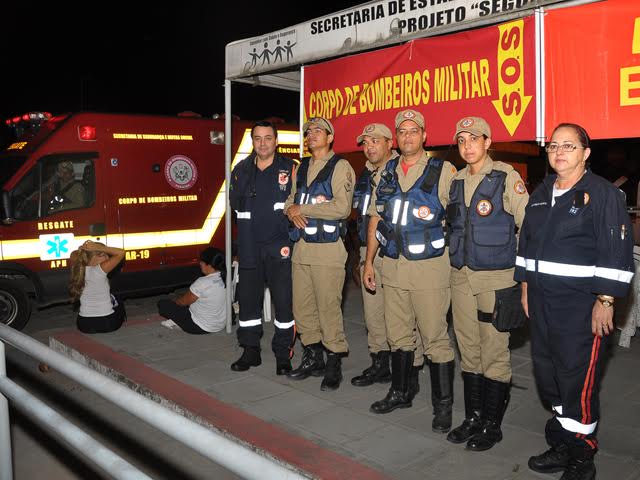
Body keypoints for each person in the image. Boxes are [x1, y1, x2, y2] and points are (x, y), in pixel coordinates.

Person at [516, 123, 634, 480]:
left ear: (585, 153)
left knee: (577, 381)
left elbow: (616, 251)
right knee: (548, 376)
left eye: (569, 145)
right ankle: (562, 444)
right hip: (542, 302)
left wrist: (606, 300)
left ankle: (582, 457)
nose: (559, 151)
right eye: (554, 145)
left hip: (581, 306)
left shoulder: (602, 194)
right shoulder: (542, 192)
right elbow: (527, 245)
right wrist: (524, 287)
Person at [363, 109, 457, 434]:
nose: (407, 137)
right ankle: (401, 391)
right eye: (401, 131)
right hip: (392, 266)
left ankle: (443, 406)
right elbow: (376, 217)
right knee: (398, 335)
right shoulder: (386, 171)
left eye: (413, 131)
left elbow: (458, 220)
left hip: (430, 269)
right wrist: (368, 262)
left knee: (434, 338)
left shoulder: (443, 170)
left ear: (424, 135)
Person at [445, 117, 529, 451]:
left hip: (495, 278)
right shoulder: (456, 181)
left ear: (487, 141)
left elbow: (527, 226)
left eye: (473, 138)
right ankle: (473, 417)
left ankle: (492, 426)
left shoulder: (506, 177)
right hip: (461, 277)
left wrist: (523, 277)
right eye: (461, 139)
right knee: (468, 349)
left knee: (494, 350)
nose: (467, 145)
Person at [351, 123, 425, 396]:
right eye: (365, 142)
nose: (369, 147)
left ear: (389, 143)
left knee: (403, 317)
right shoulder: (364, 176)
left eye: (375, 141)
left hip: (395, 252)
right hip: (368, 250)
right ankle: (380, 363)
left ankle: (411, 371)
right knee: (374, 314)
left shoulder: (398, 172)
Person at [284, 116, 355, 391]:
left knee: (328, 308)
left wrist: (303, 210)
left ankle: (333, 361)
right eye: (308, 131)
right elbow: (291, 201)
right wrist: (290, 210)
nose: (311, 135)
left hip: (328, 251)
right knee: (303, 309)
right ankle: (312, 358)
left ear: (330, 137)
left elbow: (342, 208)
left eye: (318, 131)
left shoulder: (341, 166)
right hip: (302, 249)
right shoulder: (300, 168)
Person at [229, 120, 296, 375]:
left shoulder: (291, 169)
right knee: (248, 302)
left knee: (283, 303)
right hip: (248, 248)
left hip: (280, 248)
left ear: (276, 141)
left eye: (268, 138)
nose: (263, 143)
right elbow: (236, 205)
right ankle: (250, 350)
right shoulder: (241, 170)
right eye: (258, 138)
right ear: (252, 141)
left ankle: (282, 354)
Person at [157, 247, 227, 334]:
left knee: (163, 304)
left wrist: (174, 302)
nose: (200, 264)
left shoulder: (202, 282)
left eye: (202, 262)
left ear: (209, 265)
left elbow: (183, 302)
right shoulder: (226, 278)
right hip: (220, 325)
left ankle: (177, 322)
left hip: (199, 327)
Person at [69, 240, 126, 334]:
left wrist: (84, 249)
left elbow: (73, 254)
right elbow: (121, 253)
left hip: (84, 324)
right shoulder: (99, 270)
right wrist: (98, 247)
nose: (107, 257)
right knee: (118, 300)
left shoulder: (79, 268)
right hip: (107, 323)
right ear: (92, 257)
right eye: (102, 254)